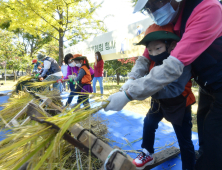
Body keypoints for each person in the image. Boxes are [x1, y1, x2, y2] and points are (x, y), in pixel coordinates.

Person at [105, 0, 222, 169]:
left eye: (153, 5)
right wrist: (131, 79)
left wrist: (129, 94)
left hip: (217, 82)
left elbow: (173, 67)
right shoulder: (167, 24)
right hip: (206, 85)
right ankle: (201, 158)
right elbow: (144, 58)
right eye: (147, 9)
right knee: (203, 129)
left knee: (214, 136)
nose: (152, 12)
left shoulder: (207, 10)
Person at [131, 24, 195, 170]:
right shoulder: (152, 60)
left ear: (171, 45)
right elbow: (142, 71)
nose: (154, 53)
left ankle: (189, 166)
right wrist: (132, 81)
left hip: (179, 104)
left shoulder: (180, 61)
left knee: (184, 140)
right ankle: (147, 152)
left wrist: (144, 90)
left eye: (158, 48)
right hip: (158, 102)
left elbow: (173, 89)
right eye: (150, 50)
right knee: (149, 123)